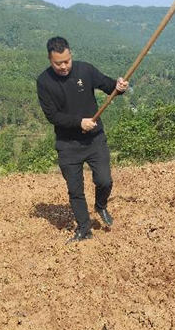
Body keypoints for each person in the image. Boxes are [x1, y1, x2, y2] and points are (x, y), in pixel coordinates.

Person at [36, 36, 129, 243]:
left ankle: (101, 205)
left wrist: (119, 86)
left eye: (67, 61)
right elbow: (52, 116)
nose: (63, 66)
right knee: (75, 189)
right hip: (68, 145)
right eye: (58, 63)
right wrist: (79, 122)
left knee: (104, 180)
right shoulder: (44, 82)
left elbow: (108, 85)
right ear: (50, 60)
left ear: (71, 55)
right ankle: (84, 229)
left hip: (94, 139)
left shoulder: (85, 70)